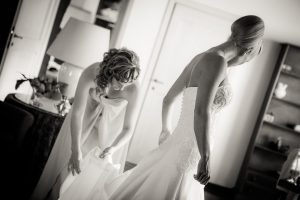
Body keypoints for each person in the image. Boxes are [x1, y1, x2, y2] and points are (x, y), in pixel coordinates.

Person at [97, 15, 264, 200]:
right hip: (192, 149)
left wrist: (165, 129)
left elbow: (168, 98)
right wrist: (205, 157)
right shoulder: (217, 62)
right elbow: (201, 111)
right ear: (249, 48)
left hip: (182, 143)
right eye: (250, 56)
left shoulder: (206, 57)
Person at [30, 48, 141, 200]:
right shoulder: (91, 73)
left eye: (127, 83)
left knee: (93, 178)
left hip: (111, 129)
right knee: (66, 169)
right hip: (83, 120)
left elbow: (128, 128)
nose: (123, 88)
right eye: (120, 82)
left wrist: (113, 148)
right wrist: (75, 150)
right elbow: (77, 112)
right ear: (110, 73)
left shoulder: (133, 89)